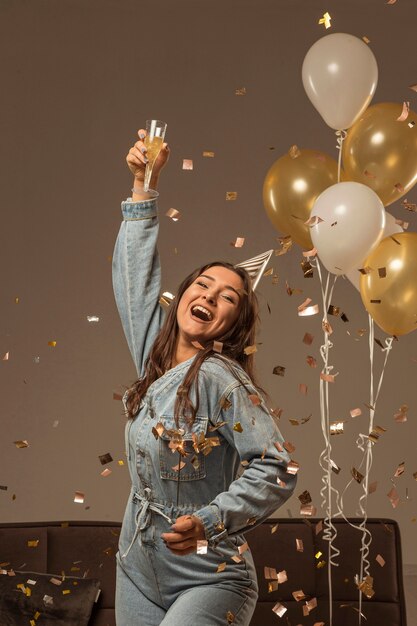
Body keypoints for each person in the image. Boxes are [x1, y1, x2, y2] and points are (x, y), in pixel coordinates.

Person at [112, 127, 297, 626]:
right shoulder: (154, 359)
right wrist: (142, 186)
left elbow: (277, 467)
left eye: (229, 298)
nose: (211, 296)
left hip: (210, 574)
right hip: (137, 571)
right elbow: (135, 282)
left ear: (233, 325)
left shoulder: (221, 377)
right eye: (203, 283)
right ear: (184, 296)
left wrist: (211, 520)